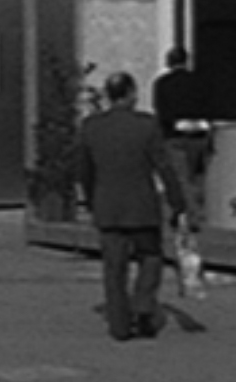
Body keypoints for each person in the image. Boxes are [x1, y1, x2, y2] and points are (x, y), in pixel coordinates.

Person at [74, 71, 189, 341]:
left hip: (107, 205)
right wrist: (177, 201)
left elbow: (83, 170)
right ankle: (144, 304)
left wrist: (90, 200)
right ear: (131, 94)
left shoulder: (91, 127)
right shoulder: (146, 125)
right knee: (151, 256)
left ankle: (119, 324)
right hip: (141, 204)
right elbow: (164, 166)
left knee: (114, 268)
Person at [150, 46, 209, 222]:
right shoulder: (199, 81)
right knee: (197, 176)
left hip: (174, 134)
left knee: (182, 177)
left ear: (169, 62)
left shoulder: (162, 83)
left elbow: (160, 110)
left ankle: (193, 215)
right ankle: (191, 209)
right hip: (199, 133)